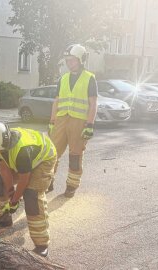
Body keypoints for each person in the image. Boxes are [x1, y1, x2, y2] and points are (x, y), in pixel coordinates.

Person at [0, 121, 57, 257]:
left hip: (44, 160)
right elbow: (4, 168)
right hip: (26, 161)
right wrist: (10, 192)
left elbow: (24, 179)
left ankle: (42, 244)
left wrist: (14, 200)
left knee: (31, 195)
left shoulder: (22, 151)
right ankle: (4, 218)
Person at [48, 44, 98, 198]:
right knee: (52, 153)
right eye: (67, 60)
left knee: (75, 155)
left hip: (79, 121)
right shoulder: (63, 79)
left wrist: (90, 124)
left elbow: (93, 103)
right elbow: (56, 101)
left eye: (72, 60)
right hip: (61, 120)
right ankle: (47, 181)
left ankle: (71, 185)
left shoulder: (89, 78)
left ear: (81, 60)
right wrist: (51, 121)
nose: (69, 63)